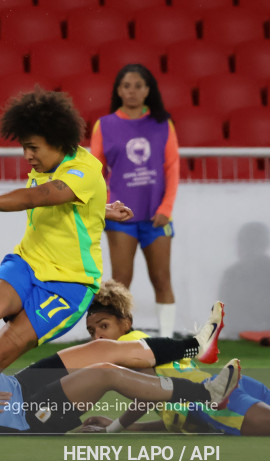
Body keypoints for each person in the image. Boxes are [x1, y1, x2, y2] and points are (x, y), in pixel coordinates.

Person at [0, 88, 134, 434]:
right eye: (24, 147)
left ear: (57, 141)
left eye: (33, 147)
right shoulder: (48, 164)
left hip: (69, 283)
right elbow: (66, 204)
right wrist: (102, 210)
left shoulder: (85, 169)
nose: (27, 156)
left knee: (0, 351)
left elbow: (39, 196)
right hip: (27, 260)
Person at [0, 256, 233, 437]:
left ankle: (195, 345)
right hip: (26, 419)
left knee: (102, 348)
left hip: (20, 385)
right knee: (105, 373)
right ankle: (205, 395)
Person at [80, 280, 270, 436]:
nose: (98, 338)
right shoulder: (150, 344)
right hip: (225, 387)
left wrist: (115, 428)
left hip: (215, 400)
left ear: (125, 323)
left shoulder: (126, 351)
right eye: (92, 332)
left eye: (104, 326)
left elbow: (148, 396)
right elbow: (174, 410)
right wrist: (135, 427)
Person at [91, 64, 179, 338]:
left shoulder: (162, 123)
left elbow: (172, 167)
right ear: (118, 90)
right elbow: (95, 171)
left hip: (156, 217)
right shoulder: (104, 125)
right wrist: (106, 209)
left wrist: (166, 208)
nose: (132, 91)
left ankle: (166, 343)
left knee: (162, 279)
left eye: (138, 85)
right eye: (126, 86)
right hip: (121, 219)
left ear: (148, 90)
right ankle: (118, 342)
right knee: (120, 282)